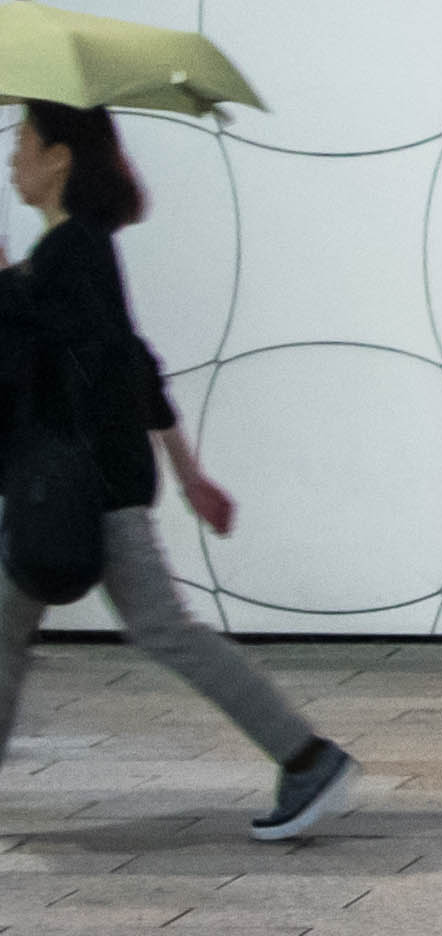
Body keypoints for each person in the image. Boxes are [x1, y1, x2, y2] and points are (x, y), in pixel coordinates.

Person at [0, 103, 358, 839]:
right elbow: (136, 362)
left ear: (60, 157)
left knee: (164, 628)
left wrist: (7, 286)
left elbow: (96, 357)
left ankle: (307, 755)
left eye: (23, 142)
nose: (14, 159)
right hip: (78, 484)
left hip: (81, 489)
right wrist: (191, 474)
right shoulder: (70, 253)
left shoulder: (74, 250)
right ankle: (305, 756)